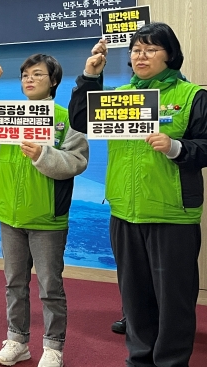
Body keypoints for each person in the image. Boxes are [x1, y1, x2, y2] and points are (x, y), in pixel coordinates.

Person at [69, 23, 206, 366]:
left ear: (170, 54)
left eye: (150, 49)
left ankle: (171, 362)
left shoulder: (192, 96)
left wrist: (177, 148)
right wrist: (90, 76)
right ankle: (140, 359)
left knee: (174, 301)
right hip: (124, 212)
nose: (140, 56)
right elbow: (81, 121)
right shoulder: (122, 95)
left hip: (171, 213)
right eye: (135, 50)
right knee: (134, 297)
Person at [0, 57, 89, 367]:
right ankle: (17, 341)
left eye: (37, 74)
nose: (29, 79)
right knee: (14, 284)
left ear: (53, 81)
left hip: (47, 217)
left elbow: (77, 162)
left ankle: (53, 346)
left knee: (50, 287)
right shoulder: (11, 116)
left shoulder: (66, 119)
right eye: (24, 75)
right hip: (9, 214)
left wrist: (43, 155)